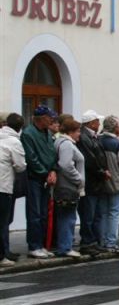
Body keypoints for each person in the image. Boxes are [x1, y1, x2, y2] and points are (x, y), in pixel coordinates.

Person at [21, 105, 58, 259]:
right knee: (35, 213)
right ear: (42, 118)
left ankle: (42, 245)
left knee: (43, 213)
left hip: (46, 178)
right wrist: (45, 172)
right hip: (34, 179)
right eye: (50, 117)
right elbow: (31, 158)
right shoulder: (28, 134)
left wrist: (53, 170)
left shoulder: (47, 133)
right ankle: (34, 245)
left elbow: (52, 153)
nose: (52, 119)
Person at [77, 109, 109, 254]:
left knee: (95, 214)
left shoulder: (92, 137)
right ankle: (87, 242)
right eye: (97, 121)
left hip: (96, 182)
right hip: (91, 182)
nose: (99, 123)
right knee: (88, 215)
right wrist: (102, 172)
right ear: (91, 123)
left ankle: (93, 241)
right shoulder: (85, 138)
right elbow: (90, 160)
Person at [99, 116, 119, 252]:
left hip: (101, 182)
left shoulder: (98, 140)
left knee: (103, 213)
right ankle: (111, 242)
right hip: (116, 181)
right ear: (115, 128)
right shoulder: (118, 144)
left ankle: (102, 240)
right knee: (114, 213)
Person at [53, 118, 85, 258]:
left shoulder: (61, 142)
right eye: (78, 131)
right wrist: (79, 178)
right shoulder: (66, 144)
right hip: (68, 186)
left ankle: (65, 245)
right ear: (70, 132)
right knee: (68, 217)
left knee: (66, 217)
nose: (79, 134)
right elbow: (65, 165)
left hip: (65, 185)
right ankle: (65, 247)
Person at [0, 113, 27, 266]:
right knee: (3, 222)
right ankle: (2, 255)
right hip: (4, 186)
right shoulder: (14, 142)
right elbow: (20, 166)